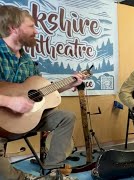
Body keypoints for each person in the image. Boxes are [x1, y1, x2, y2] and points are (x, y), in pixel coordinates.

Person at [0, 5, 86, 180]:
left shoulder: (26, 59)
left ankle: (52, 171)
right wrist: (9, 101)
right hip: (1, 126)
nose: (36, 31)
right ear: (12, 27)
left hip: (25, 121)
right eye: (31, 26)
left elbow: (42, 91)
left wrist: (69, 83)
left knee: (66, 117)